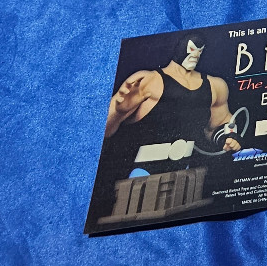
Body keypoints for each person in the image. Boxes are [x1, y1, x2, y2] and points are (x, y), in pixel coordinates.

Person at [102, 34, 242, 169]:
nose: (195, 55)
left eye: (200, 51)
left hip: (185, 171)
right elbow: (104, 132)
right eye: (192, 49)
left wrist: (228, 138)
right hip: (140, 170)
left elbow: (219, 125)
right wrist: (118, 113)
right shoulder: (148, 81)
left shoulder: (215, 86)